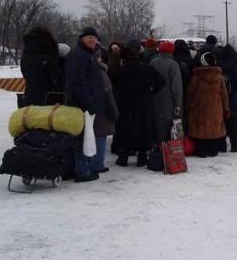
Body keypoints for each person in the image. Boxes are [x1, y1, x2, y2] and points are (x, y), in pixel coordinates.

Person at [112, 39, 166, 167]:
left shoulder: (121, 69)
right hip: (143, 103)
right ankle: (142, 157)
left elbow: (114, 85)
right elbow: (161, 81)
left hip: (125, 103)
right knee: (143, 129)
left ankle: (123, 157)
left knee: (125, 129)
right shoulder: (147, 68)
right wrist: (151, 91)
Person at [65, 26, 105, 182]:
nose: (92, 40)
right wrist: (89, 103)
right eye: (89, 37)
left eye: (94, 38)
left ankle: (80, 168)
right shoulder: (79, 55)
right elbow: (79, 83)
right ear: (81, 38)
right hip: (81, 105)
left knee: (82, 137)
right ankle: (82, 171)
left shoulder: (87, 55)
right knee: (82, 137)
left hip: (84, 103)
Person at [186, 52, 230, 157]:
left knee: (200, 131)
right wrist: (226, 108)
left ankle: (202, 151)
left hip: (198, 109)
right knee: (214, 130)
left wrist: (187, 107)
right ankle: (213, 150)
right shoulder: (219, 78)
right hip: (216, 109)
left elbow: (189, 94)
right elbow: (224, 95)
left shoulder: (196, 78)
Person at [91, 51, 119, 174]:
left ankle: (88, 163)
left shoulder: (82, 71)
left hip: (87, 108)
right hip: (101, 110)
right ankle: (97, 164)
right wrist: (114, 112)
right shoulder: (101, 74)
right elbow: (108, 94)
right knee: (100, 136)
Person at [150, 41, 183, 143]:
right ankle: (165, 149)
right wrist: (178, 104)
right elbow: (176, 86)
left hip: (154, 98)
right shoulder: (173, 65)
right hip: (168, 101)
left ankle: (155, 148)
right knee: (168, 125)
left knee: (155, 123)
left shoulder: (153, 62)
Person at [20, 26, 60, 107]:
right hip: (48, 99)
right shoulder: (48, 56)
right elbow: (56, 77)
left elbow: (25, 73)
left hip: (29, 96)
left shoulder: (25, 54)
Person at [217, 45, 237, 152]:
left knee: (220, 121)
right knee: (232, 121)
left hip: (219, 97)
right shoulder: (236, 67)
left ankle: (221, 145)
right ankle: (235, 145)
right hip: (232, 97)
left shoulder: (217, 65)